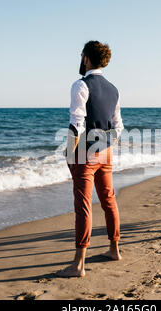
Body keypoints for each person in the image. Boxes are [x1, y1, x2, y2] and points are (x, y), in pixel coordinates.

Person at [57, 41, 124, 277]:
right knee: (109, 199)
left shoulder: (80, 85)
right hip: (106, 153)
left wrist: (68, 153)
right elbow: (118, 127)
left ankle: (78, 265)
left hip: (85, 153)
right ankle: (114, 250)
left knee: (83, 206)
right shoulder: (114, 89)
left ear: (86, 58)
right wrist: (106, 147)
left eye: (81, 55)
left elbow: (76, 124)